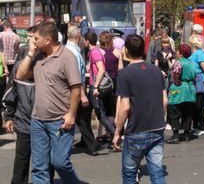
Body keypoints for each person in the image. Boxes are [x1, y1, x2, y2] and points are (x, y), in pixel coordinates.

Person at [16, 20, 81, 184]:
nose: (33, 41)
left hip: (60, 120)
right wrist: (30, 53)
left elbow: (76, 89)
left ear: (48, 40)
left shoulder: (67, 57)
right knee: (39, 166)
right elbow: (20, 75)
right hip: (38, 120)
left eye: (36, 38)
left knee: (59, 162)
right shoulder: (37, 56)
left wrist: (71, 115)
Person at [113, 34, 168, 184]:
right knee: (157, 173)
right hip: (157, 127)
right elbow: (164, 101)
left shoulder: (125, 74)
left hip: (136, 129)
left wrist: (117, 132)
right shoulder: (156, 71)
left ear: (126, 51)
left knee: (130, 174)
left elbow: (125, 107)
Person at [5, 26, 36, 184]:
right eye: (30, 37)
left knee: (44, 163)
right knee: (21, 162)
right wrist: (9, 116)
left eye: (35, 38)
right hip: (23, 123)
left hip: (44, 124)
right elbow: (11, 93)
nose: (32, 41)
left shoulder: (48, 63)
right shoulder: (19, 65)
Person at [67, 26, 102, 156]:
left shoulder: (71, 50)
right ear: (77, 37)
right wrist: (82, 95)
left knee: (85, 115)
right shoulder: (74, 53)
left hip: (76, 89)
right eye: (81, 36)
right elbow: (75, 76)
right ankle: (92, 145)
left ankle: (84, 140)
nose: (83, 38)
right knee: (81, 117)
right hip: (76, 90)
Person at [84, 32, 115, 141]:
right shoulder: (94, 51)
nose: (83, 42)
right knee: (85, 113)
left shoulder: (95, 52)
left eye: (84, 40)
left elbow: (101, 69)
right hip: (93, 85)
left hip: (95, 86)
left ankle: (116, 137)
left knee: (101, 116)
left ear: (87, 41)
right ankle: (87, 140)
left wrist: (96, 87)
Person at [166, 44, 196, 144]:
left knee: (174, 111)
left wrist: (176, 82)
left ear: (181, 53)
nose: (176, 53)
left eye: (178, 51)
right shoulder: (192, 62)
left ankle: (176, 135)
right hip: (190, 89)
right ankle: (186, 134)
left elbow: (176, 75)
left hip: (180, 89)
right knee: (187, 113)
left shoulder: (179, 63)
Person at [189, 35, 204, 136]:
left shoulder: (199, 53)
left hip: (200, 80)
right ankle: (196, 125)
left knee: (199, 104)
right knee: (195, 104)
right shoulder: (195, 53)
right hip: (195, 79)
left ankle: (201, 127)